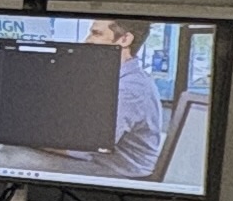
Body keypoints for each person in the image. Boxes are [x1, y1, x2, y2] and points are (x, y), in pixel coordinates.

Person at [73, 19, 170, 180]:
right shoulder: (108, 77)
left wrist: (35, 139)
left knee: (22, 158)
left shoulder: (131, 88)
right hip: (102, 161)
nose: (87, 41)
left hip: (125, 173)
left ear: (124, 39)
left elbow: (90, 144)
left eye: (96, 34)